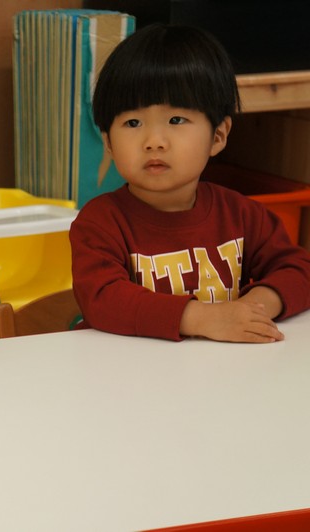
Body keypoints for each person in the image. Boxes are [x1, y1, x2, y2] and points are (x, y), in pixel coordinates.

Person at [69, 24, 310, 343]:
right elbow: (103, 300)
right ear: (109, 143)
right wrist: (202, 318)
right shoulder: (99, 223)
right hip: (126, 370)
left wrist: (254, 307)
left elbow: (299, 270)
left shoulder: (242, 215)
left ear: (218, 135)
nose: (154, 141)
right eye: (133, 122)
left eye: (176, 120)